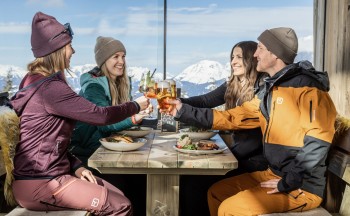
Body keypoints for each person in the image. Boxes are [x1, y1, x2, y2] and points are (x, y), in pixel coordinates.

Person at [164, 27, 337, 215]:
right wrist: (182, 110)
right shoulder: (270, 91)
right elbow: (232, 117)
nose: (255, 54)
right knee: (216, 193)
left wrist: (288, 181)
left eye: (260, 48)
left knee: (229, 209)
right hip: (274, 174)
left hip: (301, 185)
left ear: (275, 53)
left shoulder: (309, 90)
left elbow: (318, 142)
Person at [10, 11, 150, 215]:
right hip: (41, 182)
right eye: (69, 46)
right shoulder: (50, 88)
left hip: (50, 175)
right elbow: (100, 115)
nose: (73, 51)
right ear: (56, 49)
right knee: (121, 206)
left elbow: (50, 140)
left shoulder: (38, 81)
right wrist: (135, 106)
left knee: (120, 196)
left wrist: (76, 166)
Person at [179, 41, 268, 216]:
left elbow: (254, 140)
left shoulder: (261, 90)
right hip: (239, 154)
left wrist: (224, 153)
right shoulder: (233, 84)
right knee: (189, 179)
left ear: (251, 59)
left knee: (193, 184)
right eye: (232, 57)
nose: (233, 61)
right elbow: (205, 101)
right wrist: (179, 101)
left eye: (239, 57)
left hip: (255, 161)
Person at [69, 36, 149, 216]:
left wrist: (138, 117)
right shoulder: (93, 87)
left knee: (141, 180)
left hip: (104, 149)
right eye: (115, 57)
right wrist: (135, 118)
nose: (121, 61)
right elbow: (105, 123)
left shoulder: (120, 83)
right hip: (84, 154)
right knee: (130, 181)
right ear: (104, 60)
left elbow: (119, 120)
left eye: (123, 56)